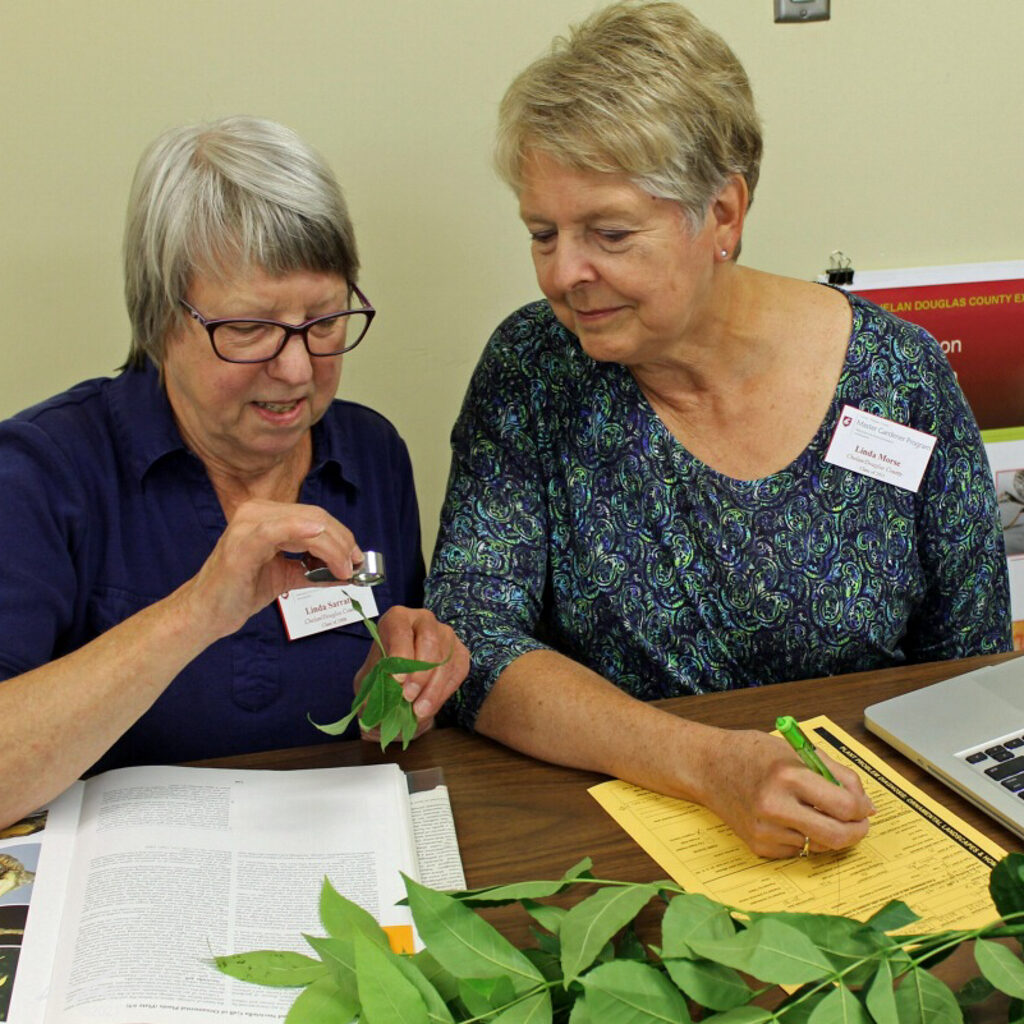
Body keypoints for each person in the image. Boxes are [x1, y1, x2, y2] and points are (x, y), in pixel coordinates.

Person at [426, 1, 1012, 859]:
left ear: (724, 214)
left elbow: (971, 666)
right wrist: (706, 765)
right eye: (542, 234)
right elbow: (468, 642)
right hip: (624, 831)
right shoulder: (533, 371)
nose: (564, 273)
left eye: (609, 233)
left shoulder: (898, 377)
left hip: (865, 833)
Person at [0, 116, 469, 829]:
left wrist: (412, 682)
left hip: (331, 856)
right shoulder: (41, 473)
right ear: (161, 322)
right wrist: (196, 614)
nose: (297, 369)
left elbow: (390, 737)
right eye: (249, 329)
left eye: (324, 321)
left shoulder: (370, 452)